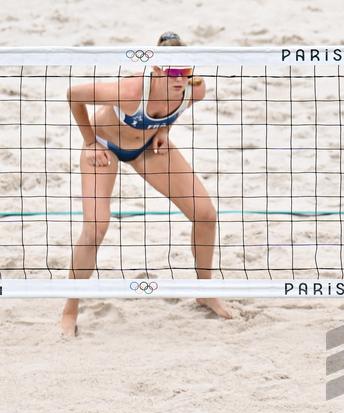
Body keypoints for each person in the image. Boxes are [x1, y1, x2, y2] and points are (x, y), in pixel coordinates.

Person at [60, 31, 230, 336]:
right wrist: (89, 142)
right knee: (96, 226)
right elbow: (74, 95)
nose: (179, 78)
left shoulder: (195, 89)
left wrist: (165, 127)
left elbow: (179, 106)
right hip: (105, 146)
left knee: (206, 214)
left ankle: (206, 291)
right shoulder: (131, 91)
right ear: (156, 69)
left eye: (185, 71)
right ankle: (69, 309)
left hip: (148, 148)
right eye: (171, 71)